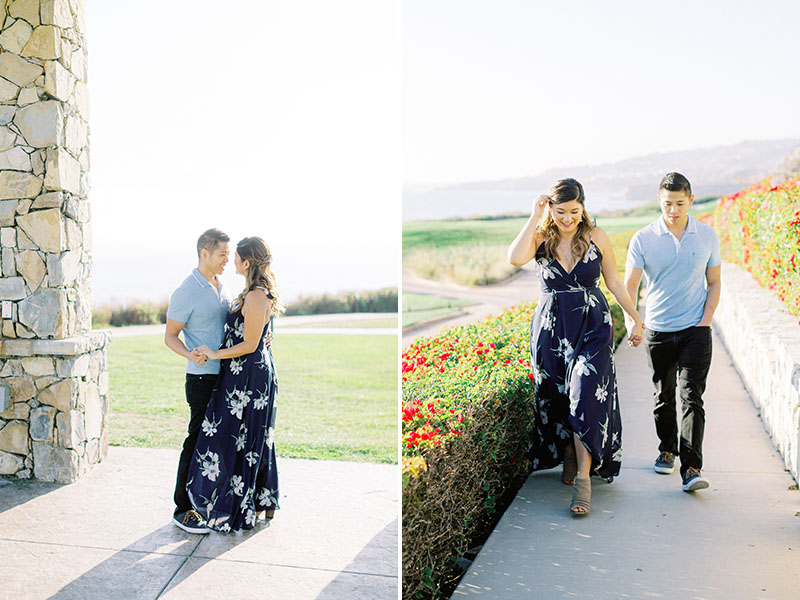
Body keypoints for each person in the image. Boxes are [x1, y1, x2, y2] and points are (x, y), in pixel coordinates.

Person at [508, 178, 643, 516]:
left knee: (585, 393)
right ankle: (570, 452)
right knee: (557, 397)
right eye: (560, 211)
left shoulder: (596, 236)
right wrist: (534, 215)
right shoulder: (541, 236)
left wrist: (635, 318)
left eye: (573, 211)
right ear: (550, 208)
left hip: (593, 326)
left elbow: (613, 280)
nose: (567, 218)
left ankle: (584, 480)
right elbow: (514, 258)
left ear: (583, 207)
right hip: (552, 328)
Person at [624, 172, 721, 492]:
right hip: (659, 330)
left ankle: (692, 468)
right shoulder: (643, 238)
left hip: (696, 329)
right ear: (659, 201)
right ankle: (667, 450)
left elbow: (715, 281)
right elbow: (630, 286)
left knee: (692, 397)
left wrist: (706, 319)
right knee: (662, 397)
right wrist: (633, 322)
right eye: (668, 204)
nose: (674, 210)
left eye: (680, 203)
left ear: (690, 200)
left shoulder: (706, 235)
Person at [186, 236, 282, 532]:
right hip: (243, 374)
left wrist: (215, 353)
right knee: (247, 439)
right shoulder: (251, 292)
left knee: (245, 440)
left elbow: (251, 344)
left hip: (250, 378)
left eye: (235, 256)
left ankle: (245, 506)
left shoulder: (255, 295)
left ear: (247, 262)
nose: (231, 261)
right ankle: (261, 502)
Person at [165, 228, 233, 534]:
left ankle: (212, 501)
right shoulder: (186, 291)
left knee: (221, 442)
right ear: (204, 253)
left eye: (229, 255)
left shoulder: (221, 284)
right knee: (196, 440)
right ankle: (183, 507)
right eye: (222, 254)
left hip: (227, 376)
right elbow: (170, 336)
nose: (227, 260)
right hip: (202, 380)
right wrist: (190, 355)